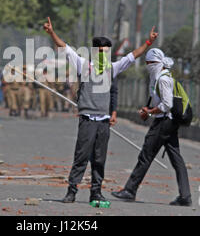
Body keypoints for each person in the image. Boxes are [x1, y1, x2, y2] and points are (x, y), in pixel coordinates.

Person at [43, 17, 158, 203]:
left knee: (99, 159)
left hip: (103, 122)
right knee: (81, 157)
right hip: (87, 120)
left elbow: (133, 56)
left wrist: (148, 42)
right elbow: (64, 47)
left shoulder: (112, 68)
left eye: (107, 52)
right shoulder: (83, 65)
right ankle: (71, 191)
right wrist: (51, 33)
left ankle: (95, 192)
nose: (104, 55)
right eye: (101, 52)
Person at [111, 48, 192, 207]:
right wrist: (148, 111)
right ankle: (185, 196)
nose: (148, 66)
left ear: (158, 63)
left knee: (146, 155)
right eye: (147, 63)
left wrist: (150, 112)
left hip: (164, 123)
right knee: (176, 159)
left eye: (151, 63)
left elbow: (167, 105)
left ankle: (130, 190)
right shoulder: (159, 78)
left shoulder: (162, 79)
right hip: (167, 122)